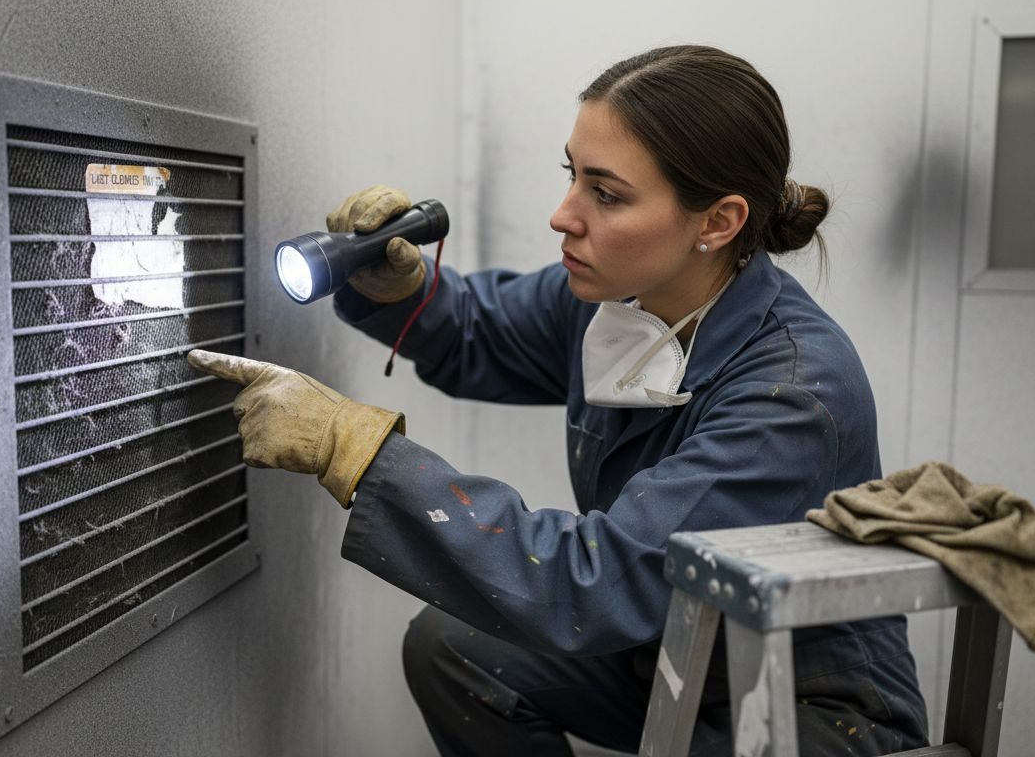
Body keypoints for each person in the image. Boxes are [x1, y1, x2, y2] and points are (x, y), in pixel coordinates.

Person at [188, 44, 929, 756]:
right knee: (455, 651)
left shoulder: (793, 393)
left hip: (803, 704)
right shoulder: (621, 299)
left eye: (605, 194)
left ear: (718, 222)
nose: (563, 215)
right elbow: (479, 331)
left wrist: (355, 448)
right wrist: (402, 289)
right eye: (572, 175)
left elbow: (598, 579)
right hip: (670, 648)